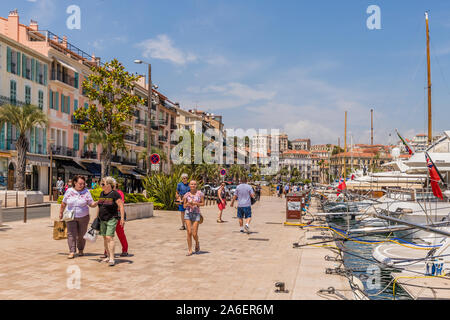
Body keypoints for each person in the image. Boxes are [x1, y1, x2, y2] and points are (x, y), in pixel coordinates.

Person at [59, 176, 97, 259]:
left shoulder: (87, 192)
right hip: (70, 216)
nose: (82, 185)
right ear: (75, 183)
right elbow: (64, 203)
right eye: (80, 183)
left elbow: (91, 203)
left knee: (81, 234)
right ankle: (72, 251)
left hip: (83, 216)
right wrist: (61, 213)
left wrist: (96, 203)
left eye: (83, 184)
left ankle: (80, 249)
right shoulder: (69, 191)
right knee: (71, 234)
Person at [97, 176, 125, 266]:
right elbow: (99, 206)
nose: (101, 185)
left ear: (109, 185)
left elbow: (121, 206)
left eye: (103, 184)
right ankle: (108, 256)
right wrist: (96, 217)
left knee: (109, 237)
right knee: (105, 238)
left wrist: (122, 219)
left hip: (112, 218)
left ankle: (112, 258)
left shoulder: (115, 194)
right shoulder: (102, 193)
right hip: (102, 219)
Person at [183, 180, 205, 256]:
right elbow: (184, 206)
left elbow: (203, 203)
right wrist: (188, 204)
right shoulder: (186, 195)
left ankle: (197, 243)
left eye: (194, 184)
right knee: (189, 232)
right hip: (188, 214)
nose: (193, 185)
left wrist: (196, 203)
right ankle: (190, 250)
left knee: (194, 233)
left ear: (196, 185)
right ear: (189, 185)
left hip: (196, 214)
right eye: (192, 184)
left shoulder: (200, 194)